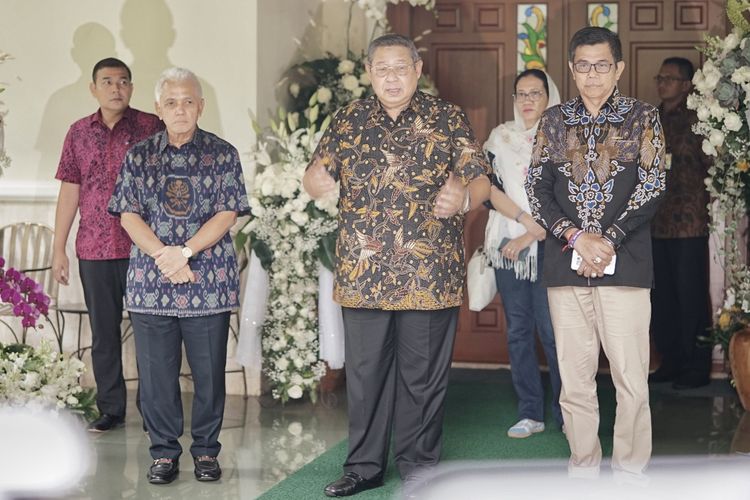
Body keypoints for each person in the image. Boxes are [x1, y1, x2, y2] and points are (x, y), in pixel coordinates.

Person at [303, 34, 491, 497]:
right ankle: (363, 467)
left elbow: (482, 179)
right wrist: (314, 181)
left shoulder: (446, 118)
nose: (391, 77)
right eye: (382, 68)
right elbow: (315, 176)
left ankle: (420, 467)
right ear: (369, 72)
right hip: (364, 276)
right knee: (364, 378)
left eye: (400, 68)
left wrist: (465, 196)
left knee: (422, 379)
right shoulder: (347, 120)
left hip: (427, 276)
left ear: (418, 69)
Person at [525, 27, 666, 477]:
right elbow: (536, 186)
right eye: (583, 66)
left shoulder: (643, 117)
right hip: (565, 268)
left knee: (631, 379)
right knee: (574, 380)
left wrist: (608, 239)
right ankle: (582, 472)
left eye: (602, 65)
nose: (592, 75)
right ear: (571, 69)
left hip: (626, 265)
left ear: (619, 68)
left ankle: (629, 475)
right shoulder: (553, 120)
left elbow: (653, 184)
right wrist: (574, 235)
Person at [108, 67, 249, 485]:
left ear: (201, 106)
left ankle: (206, 451)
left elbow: (227, 213)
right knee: (156, 376)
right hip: (152, 285)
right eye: (171, 102)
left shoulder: (224, 154)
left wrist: (184, 252)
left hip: (208, 284)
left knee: (209, 374)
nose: (181, 109)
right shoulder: (139, 155)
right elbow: (128, 214)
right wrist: (164, 256)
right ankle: (164, 453)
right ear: (158, 108)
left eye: (188, 101)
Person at [52, 57, 163, 432]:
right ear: (94, 88)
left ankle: (154, 411)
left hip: (144, 248)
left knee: (151, 331)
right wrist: (58, 248)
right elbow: (70, 191)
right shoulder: (79, 132)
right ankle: (111, 409)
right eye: (108, 81)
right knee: (104, 333)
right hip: (95, 248)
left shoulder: (152, 127)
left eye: (124, 82)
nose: (117, 88)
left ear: (131, 87)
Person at [483, 69, 563, 438]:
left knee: (553, 332)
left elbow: (568, 198)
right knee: (518, 331)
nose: (527, 100)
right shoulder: (500, 138)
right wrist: (526, 226)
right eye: (521, 94)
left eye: (535, 93)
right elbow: (488, 189)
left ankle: (568, 415)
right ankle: (530, 412)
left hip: (553, 248)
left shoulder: (563, 138)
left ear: (549, 96)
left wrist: (533, 235)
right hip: (508, 245)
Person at [649, 57, 712, 390]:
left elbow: (713, 166)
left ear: (687, 85)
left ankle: (697, 366)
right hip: (655, 224)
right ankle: (670, 361)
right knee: (662, 299)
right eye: (660, 77)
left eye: (670, 78)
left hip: (689, 224)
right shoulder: (651, 119)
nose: (662, 83)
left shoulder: (699, 119)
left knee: (690, 298)